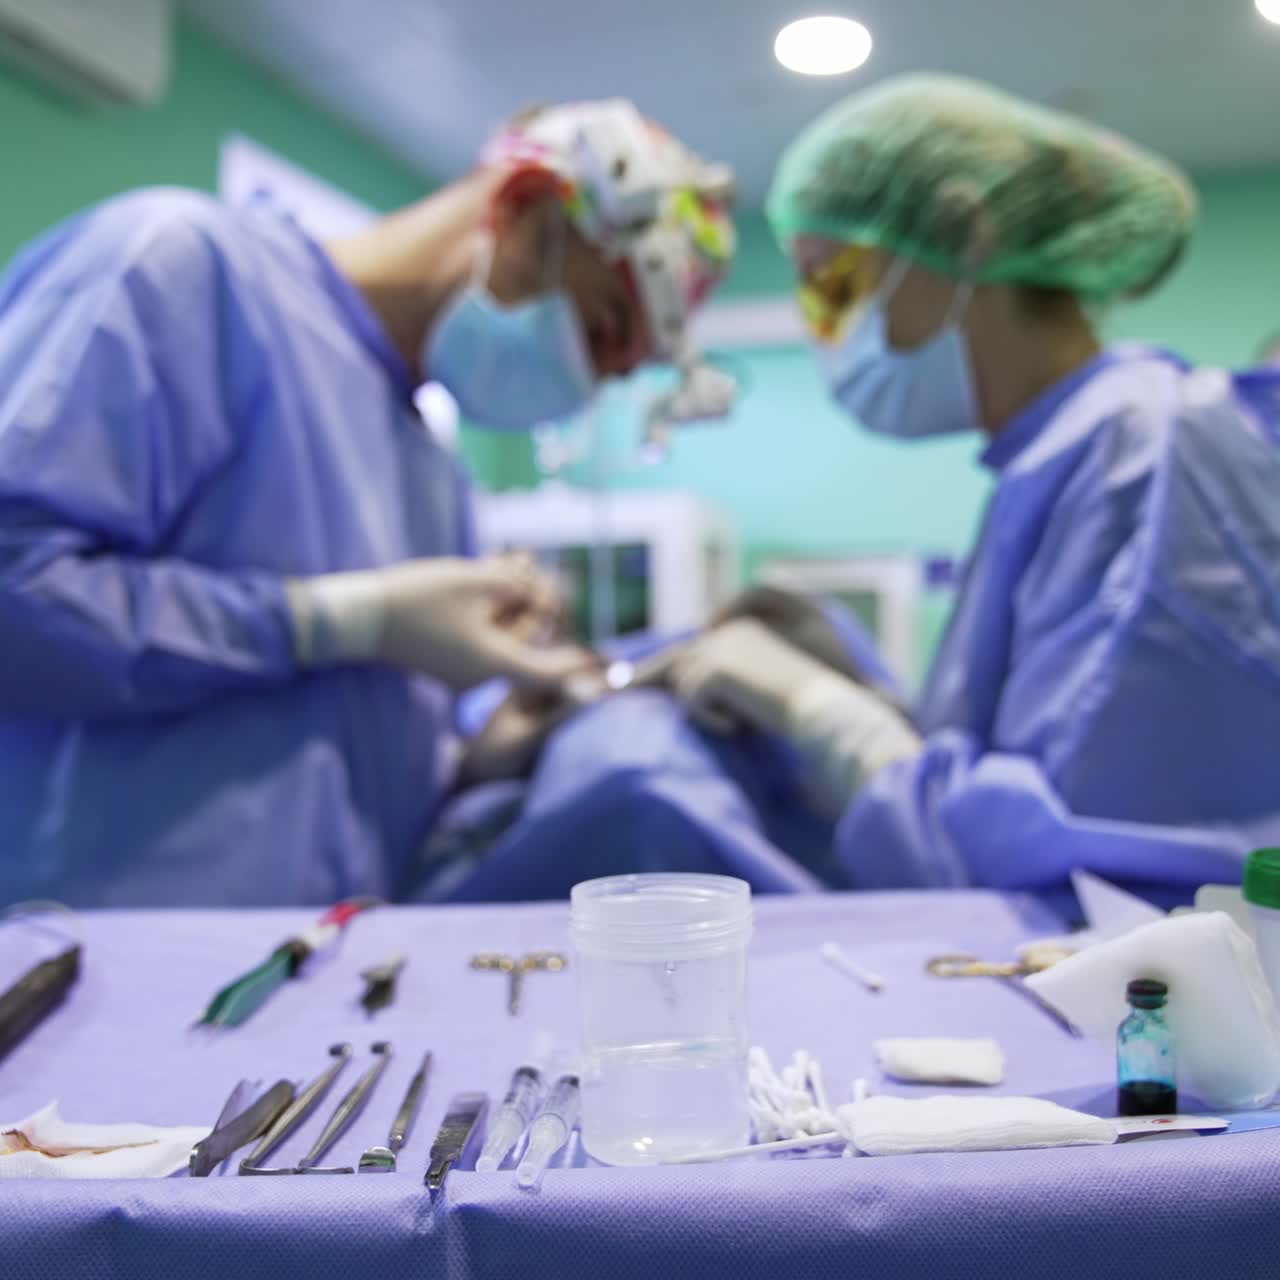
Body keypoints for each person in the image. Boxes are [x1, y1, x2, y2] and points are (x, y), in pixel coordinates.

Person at [0, 100, 734, 907]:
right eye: (600, 330)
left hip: (334, 983)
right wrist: (341, 622)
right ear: (522, 210)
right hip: (100, 967)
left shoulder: (429, 466)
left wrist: (481, 751)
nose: (588, 385)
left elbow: (348, 768)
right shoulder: (177, 269)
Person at [660, 74, 1280, 904]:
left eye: (831, 283)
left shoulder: (1145, 454)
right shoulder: (1055, 457)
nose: (821, 327)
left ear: (966, 233)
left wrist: (823, 713)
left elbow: (1073, 866)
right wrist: (863, 688)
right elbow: (1032, 754)